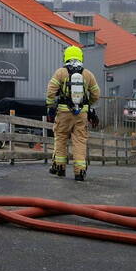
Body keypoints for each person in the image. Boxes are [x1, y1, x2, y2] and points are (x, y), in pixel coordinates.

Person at [44, 46, 100, 181]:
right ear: (80, 57)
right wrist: (88, 105)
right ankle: (79, 171)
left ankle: (60, 168)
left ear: (66, 57)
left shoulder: (60, 73)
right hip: (81, 114)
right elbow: (96, 94)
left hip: (63, 113)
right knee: (80, 141)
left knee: (61, 138)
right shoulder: (87, 74)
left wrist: (51, 106)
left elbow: (50, 91)